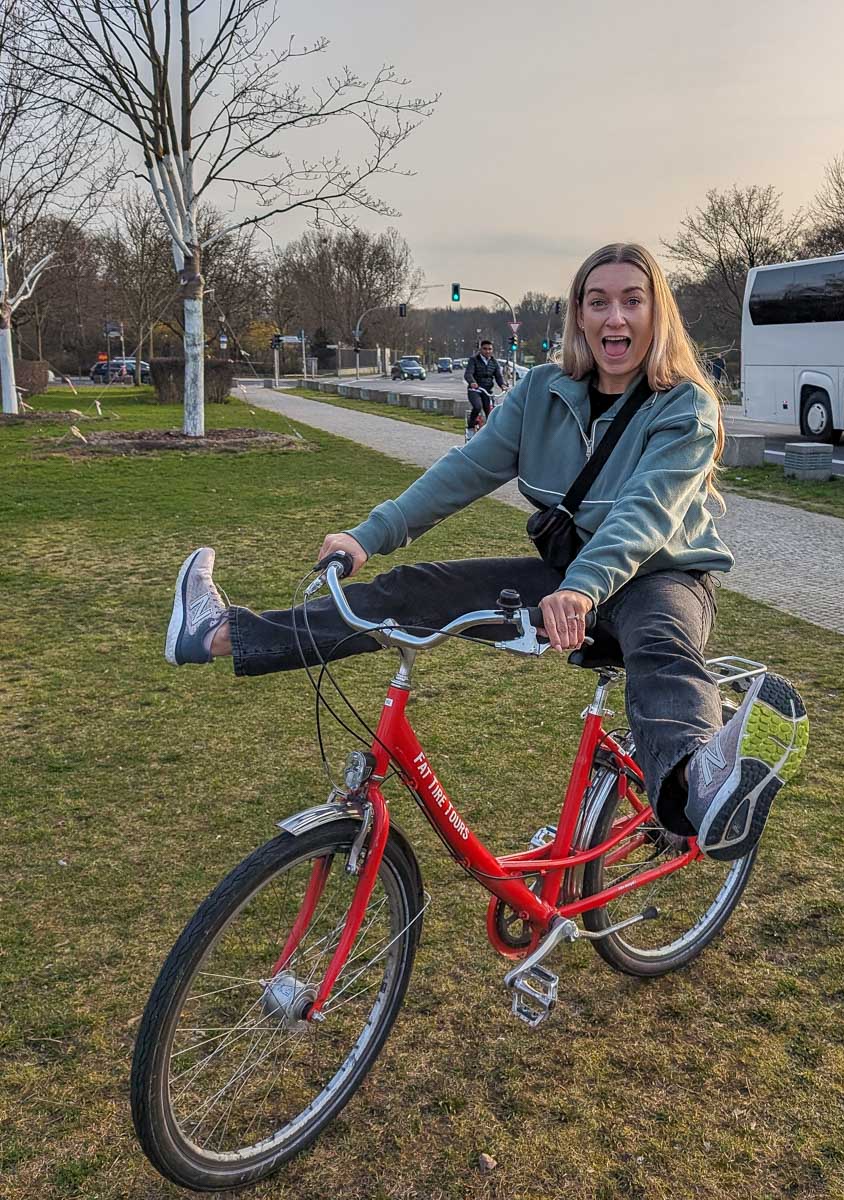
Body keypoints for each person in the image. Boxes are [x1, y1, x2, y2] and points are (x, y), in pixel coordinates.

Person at [165, 242, 808, 862]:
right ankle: (220, 633)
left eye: (632, 301)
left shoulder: (685, 405)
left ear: (655, 313)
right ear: (578, 315)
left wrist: (582, 587)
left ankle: (707, 786)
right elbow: (463, 471)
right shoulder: (541, 392)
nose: (615, 317)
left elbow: (645, 514)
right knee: (413, 592)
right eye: (598, 301)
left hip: (662, 574)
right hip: (568, 580)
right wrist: (367, 537)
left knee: (660, 641)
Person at [463, 339, 506, 439]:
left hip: (487, 391)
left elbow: (498, 376)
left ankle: (490, 434)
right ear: (481, 349)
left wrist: (503, 385)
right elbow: (468, 374)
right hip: (475, 390)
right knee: (477, 406)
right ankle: (470, 428)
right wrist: (472, 382)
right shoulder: (474, 360)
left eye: (490, 349)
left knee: (491, 413)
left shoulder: (494, 362)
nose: (487, 351)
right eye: (485, 349)